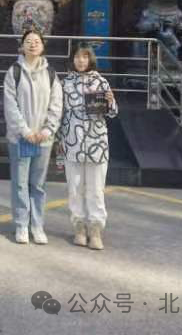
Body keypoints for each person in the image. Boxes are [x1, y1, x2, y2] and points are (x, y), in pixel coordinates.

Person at [3, 29, 63, 245]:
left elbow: (56, 105)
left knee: (38, 184)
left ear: (43, 46)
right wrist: (25, 131)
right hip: (20, 138)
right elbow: (10, 106)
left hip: (43, 139)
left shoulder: (51, 73)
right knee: (20, 183)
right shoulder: (14, 72)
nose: (33, 44)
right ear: (22, 46)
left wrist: (47, 130)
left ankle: (37, 226)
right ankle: (21, 225)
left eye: (37, 41)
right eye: (28, 41)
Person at [59, 45, 118, 250]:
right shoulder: (65, 84)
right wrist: (59, 141)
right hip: (72, 143)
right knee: (75, 189)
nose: (81, 61)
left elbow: (112, 112)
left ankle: (95, 229)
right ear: (72, 60)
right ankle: (79, 227)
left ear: (90, 60)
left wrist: (111, 101)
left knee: (96, 189)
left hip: (97, 144)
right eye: (77, 57)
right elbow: (59, 113)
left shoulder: (101, 82)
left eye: (85, 57)